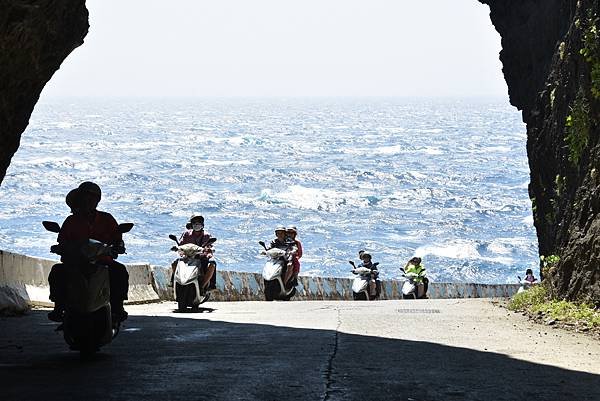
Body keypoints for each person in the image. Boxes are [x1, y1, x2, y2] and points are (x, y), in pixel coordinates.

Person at [47, 182, 129, 322]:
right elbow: (63, 240)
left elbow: (117, 238)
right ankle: (58, 307)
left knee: (119, 272)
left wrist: (118, 246)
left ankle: (118, 307)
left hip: (102, 262)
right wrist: (60, 248)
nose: (87, 201)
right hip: (76, 262)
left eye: (91, 198)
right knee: (57, 272)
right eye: (84, 198)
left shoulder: (107, 219)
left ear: (97, 200)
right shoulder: (71, 221)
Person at [171, 213, 217, 293]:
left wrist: (210, 251)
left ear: (202, 224)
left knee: (212, 265)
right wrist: (178, 249)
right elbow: (181, 245)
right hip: (188, 258)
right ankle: (173, 282)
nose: (197, 224)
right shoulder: (186, 234)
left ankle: (203, 286)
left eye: (199, 222)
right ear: (191, 224)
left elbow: (210, 246)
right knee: (174, 263)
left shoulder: (206, 235)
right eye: (195, 222)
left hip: (202, 258)